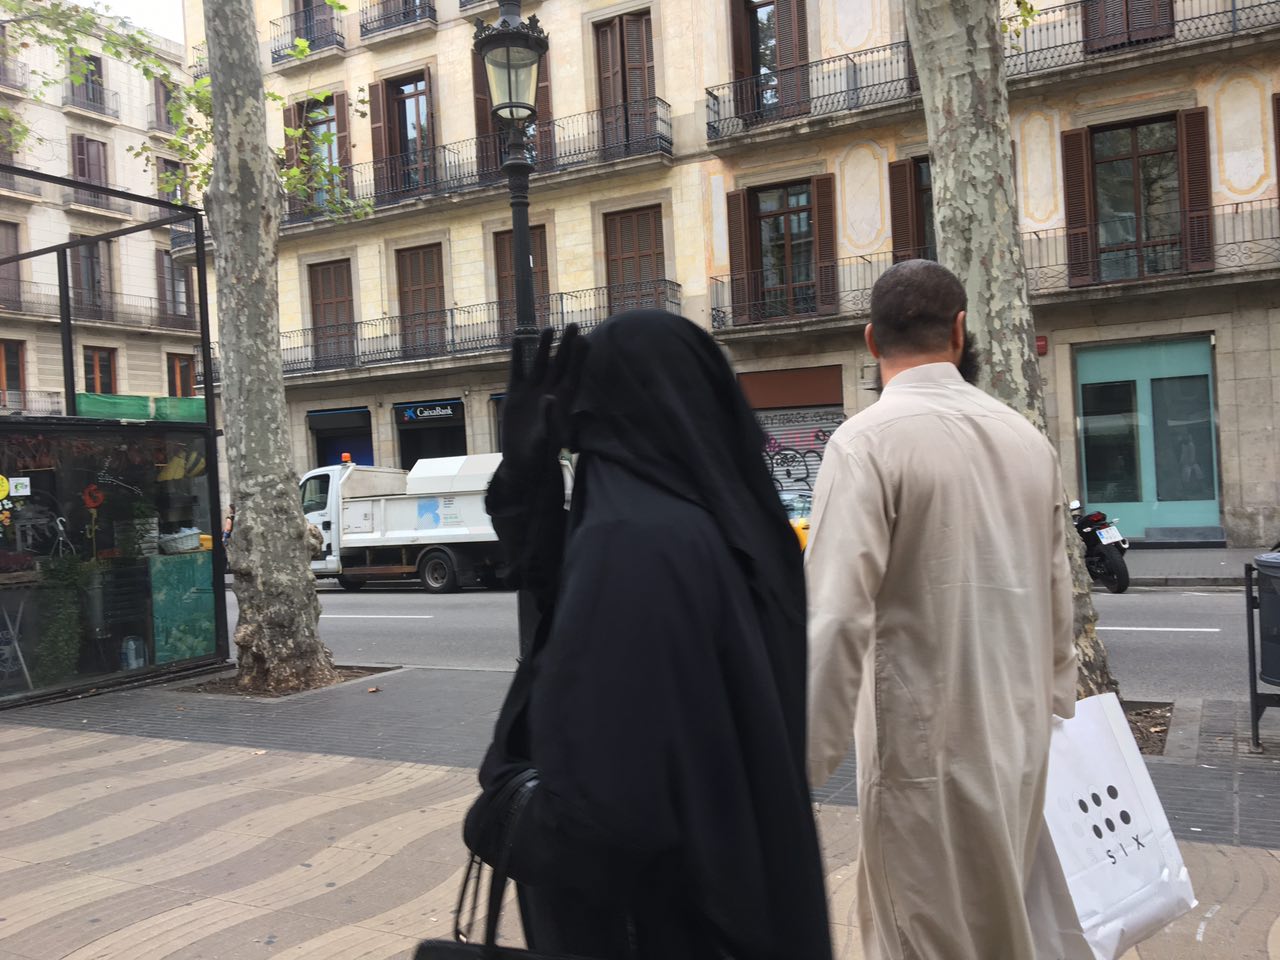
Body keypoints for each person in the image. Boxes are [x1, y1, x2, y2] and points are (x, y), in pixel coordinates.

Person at [463, 313, 833, 960]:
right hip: (745, 899)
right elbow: (558, 586)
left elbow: (595, 823)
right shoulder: (736, 527)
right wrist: (526, 476)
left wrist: (497, 804)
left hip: (663, 924)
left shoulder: (629, 540)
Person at [805, 260, 1090, 960]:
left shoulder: (865, 443)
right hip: (1019, 736)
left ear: (871, 340)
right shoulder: (1027, 440)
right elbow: (1057, 594)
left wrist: (803, 760)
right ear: (960, 331)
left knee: (921, 933)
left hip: (919, 748)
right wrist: (1055, 702)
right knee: (1000, 924)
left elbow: (835, 616)